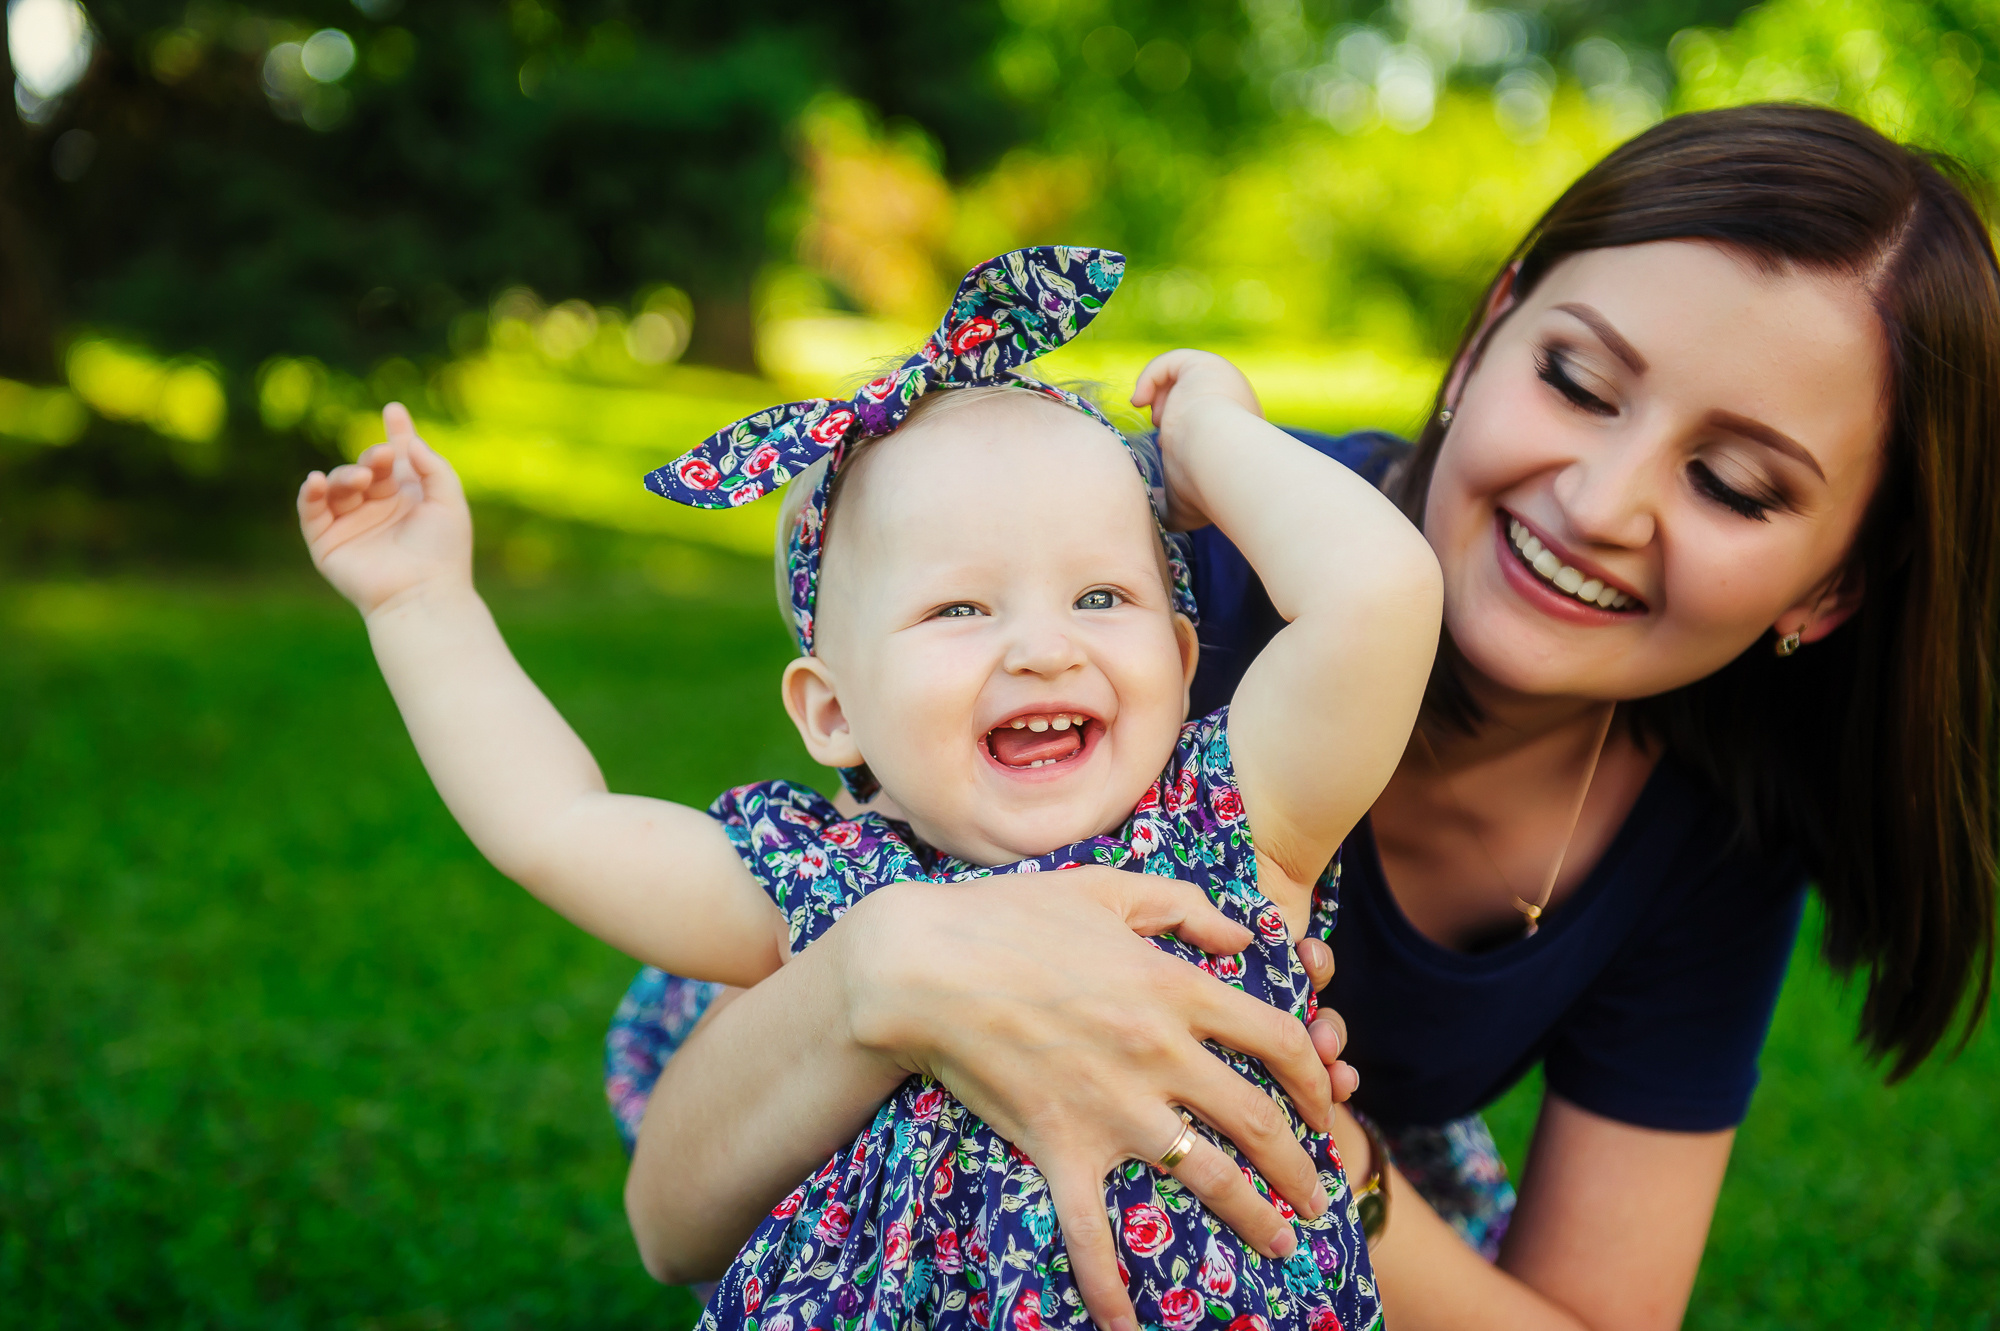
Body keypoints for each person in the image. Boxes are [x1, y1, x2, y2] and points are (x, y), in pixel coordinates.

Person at [615, 105, 2000, 1331]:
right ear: (1487, 334)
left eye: (1738, 484)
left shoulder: (1712, 823)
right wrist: (888, 970)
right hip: (836, 1060)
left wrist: (1323, 1155)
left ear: (1832, 587)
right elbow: (678, 1215)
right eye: (1576, 381)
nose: (1601, 500)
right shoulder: (1144, 607)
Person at [299, 247, 1443, 1331]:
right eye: (959, 608)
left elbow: (1380, 595)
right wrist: (419, 604)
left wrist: (1211, 437)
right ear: (831, 710)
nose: (1044, 647)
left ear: (1185, 660)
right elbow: (555, 825)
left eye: (1100, 597)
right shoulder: (823, 881)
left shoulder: (1234, 820)